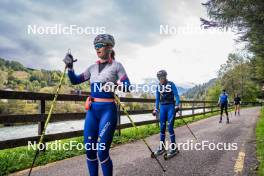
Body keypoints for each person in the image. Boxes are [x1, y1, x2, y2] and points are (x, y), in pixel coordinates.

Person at [63, 34, 130, 176]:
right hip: (92, 111)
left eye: (100, 45)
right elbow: (75, 80)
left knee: (102, 151)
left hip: (108, 111)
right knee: (89, 149)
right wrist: (70, 67)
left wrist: (114, 85)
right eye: (95, 46)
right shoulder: (92, 67)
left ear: (110, 47)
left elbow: (127, 86)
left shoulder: (117, 66)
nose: (97, 48)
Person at [152, 70, 180, 157]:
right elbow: (157, 99)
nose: (161, 79)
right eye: (159, 78)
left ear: (165, 76)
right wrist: (156, 109)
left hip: (171, 107)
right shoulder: (158, 87)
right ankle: (162, 147)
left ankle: (174, 147)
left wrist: (177, 105)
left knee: (170, 127)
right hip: (163, 108)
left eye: (162, 77)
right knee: (162, 127)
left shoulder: (171, 84)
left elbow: (177, 96)